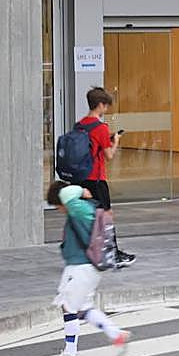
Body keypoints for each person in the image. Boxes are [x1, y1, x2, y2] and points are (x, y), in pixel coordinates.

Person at [43, 181, 131, 356]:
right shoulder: (86, 207)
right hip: (89, 266)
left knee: (69, 307)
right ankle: (116, 334)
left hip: (80, 266)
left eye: (58, 205)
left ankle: (70, 354)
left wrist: (81, 190)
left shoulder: (77, 208)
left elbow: (66, 195)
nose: (59, 209)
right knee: (83, 308)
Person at [76, 87, 135, 267]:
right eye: (106, 106)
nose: (106, 109)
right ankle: (113, 254)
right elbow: (108, 155)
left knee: (88, 215)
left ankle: (87, 251)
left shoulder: (80, 125)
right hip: (97, 178)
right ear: (100, 105)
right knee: (106, 215)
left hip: (81, 178)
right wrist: (115, 141)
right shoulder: (101, 127)